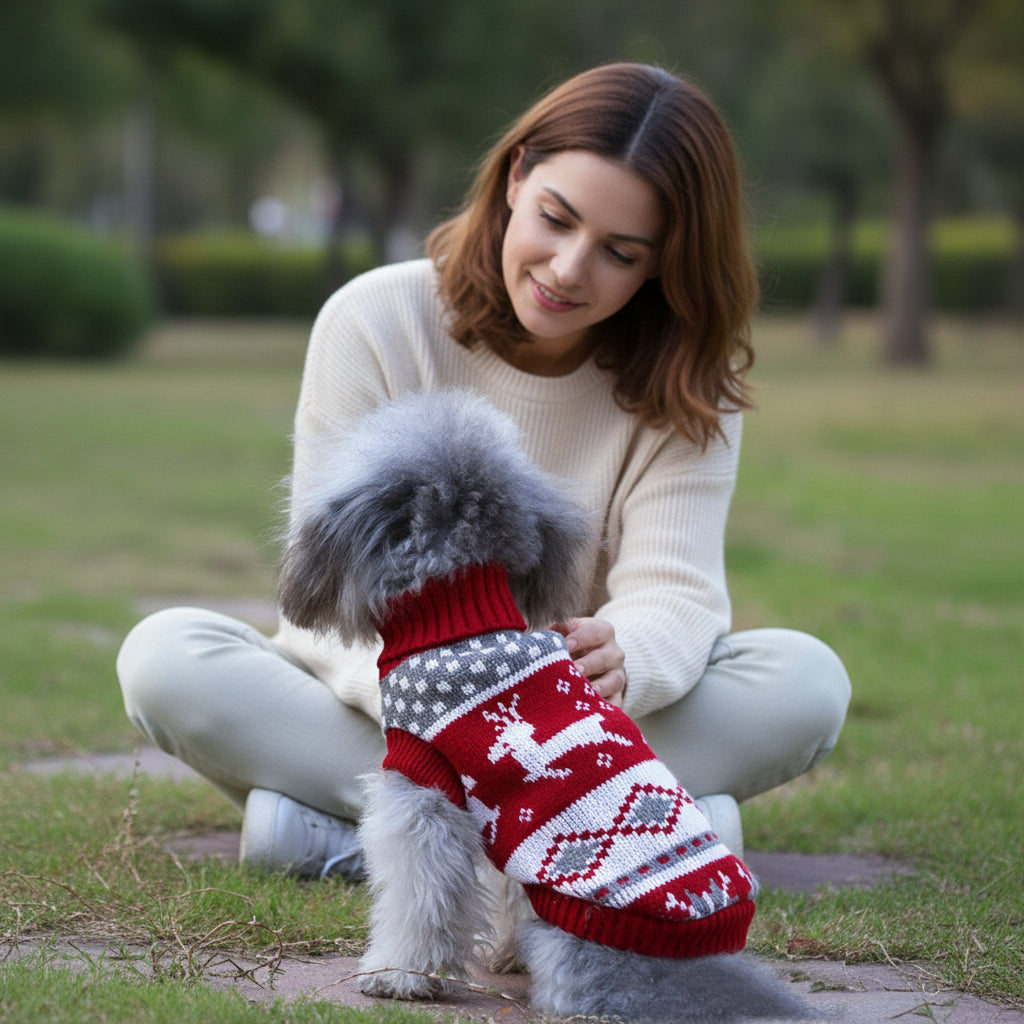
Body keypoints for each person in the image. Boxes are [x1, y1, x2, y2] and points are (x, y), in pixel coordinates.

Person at [117, 63, 851, 880]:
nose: (570, 269)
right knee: (166, 657)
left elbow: (677, 595)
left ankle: (366, 844)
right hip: (397, 697)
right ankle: (620, 833)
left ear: (662, 263)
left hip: (572, 715)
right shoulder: (375, 319)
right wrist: (454, 696)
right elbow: (328, 595)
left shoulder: (688, 384)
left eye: (620, 251)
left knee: (806, 680)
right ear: (515, 176)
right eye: (556, 219)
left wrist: (626, 653)